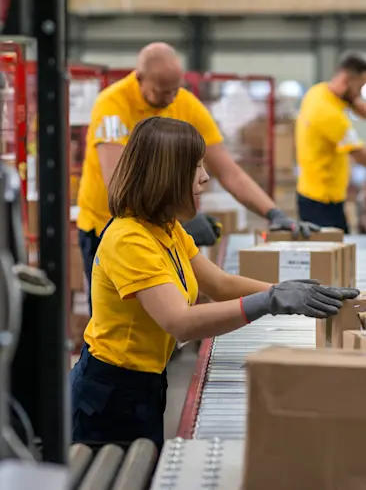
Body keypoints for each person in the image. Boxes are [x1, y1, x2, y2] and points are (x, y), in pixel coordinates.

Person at [70, 117, 359, 451]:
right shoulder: (129, 239)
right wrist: (269, 303)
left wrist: (286, 290)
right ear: (168, 175)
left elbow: (217, 283)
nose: (205, 177)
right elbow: (179, 322)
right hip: (109, 393)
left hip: (144, 383)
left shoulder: (165, 228)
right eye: (195, 167)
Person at [77, 42, 318, 310]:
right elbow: (118, 182)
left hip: (159, 223)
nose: (171, 98)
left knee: (163, 310)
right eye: (162, 91)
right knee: (126, 311)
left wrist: (274, 214)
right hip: (106, 223)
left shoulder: (184, 103)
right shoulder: (112, 105)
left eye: (175, 89)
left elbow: (228, 171)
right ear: (140, 78)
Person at [296, 52, 366, 233]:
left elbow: (357, 104)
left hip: (315, 193)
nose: (360, 93)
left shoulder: (319, 91)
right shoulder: (329, 115)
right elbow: (361, 156)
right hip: (322, 202)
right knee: (334, 254)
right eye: (360, 85)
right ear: (346, 79)